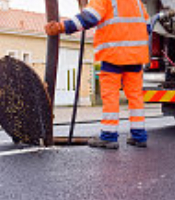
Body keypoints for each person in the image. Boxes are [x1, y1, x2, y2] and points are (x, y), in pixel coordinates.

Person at [45, 0, 150, 149]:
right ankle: (139, 136)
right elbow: (148, 27)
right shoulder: (137, 2)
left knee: (110, 95)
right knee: (135, 96)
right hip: (136, 56)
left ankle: (109, 136)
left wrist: (62, 27)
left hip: (113, 54)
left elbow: (89, 18)